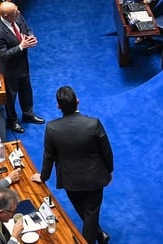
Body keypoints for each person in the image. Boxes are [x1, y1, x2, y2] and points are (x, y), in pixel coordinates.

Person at [31, 86, 113, 244]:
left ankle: (97, 236)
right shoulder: (93, 124)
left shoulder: (52, 128)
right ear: (77, 102)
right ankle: (98, 235)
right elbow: (107, 152)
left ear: (58, 106)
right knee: (91, 212)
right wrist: (108, 172)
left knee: (87, 212)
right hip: (95, 178)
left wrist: (43, 177)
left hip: (69, 180)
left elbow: (49, 157)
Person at [0, 2, 44, 134]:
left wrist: (30, 37)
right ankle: (13, 121)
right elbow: (3, 55)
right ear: (5, 15)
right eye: (15, 12)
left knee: (26, 91)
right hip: (11, 70)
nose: (18, 13)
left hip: (23, 64)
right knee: (11, 97)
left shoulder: (16, 17)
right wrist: (21, 46)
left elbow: (27, 28)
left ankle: (28, 114)